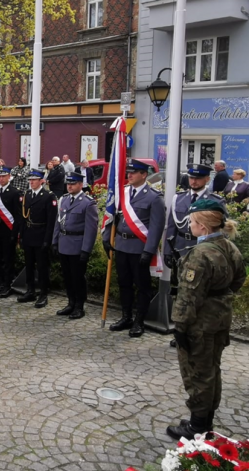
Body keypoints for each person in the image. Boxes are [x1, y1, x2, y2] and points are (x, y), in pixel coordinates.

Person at [165, 199, 246, 440]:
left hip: (200, 322)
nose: (189, 225)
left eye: (191, 221)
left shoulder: (200, 253)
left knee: (197, 371)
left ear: (202, 225)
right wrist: (219, 296)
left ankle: (197, 426)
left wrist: (179, 326)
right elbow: (239, 279)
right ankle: (205, 418)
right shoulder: (229, 246)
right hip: (220, 316)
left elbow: (189, 295)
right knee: (212, 368)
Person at [103, 159, 165, 338]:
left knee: (142, 286)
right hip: (122, 245)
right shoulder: (122, 193)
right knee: (124, 284)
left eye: (133, 172)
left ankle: (139, 321)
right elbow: (112, 217)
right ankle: (126, 316)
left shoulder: (154, 197)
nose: (129, 175)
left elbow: (156, 227)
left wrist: (149, 250)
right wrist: (107, 238)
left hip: (139, 248)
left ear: (144, 175)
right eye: (128, 172)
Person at [52, 172, 98, 320]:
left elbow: (91, 229)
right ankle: (70, 303)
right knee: (67, 277)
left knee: (78, 278)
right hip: (64, 243)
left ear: (80, 184)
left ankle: (79, 306)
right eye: (68, 183)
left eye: (73, 183)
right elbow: (58, 222)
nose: (69, 186)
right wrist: (55, 241)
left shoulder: (88, 203)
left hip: (78, 245)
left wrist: (86, 249)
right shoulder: (64, 200)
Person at [164, 164, 226, 270]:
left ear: (207, 179)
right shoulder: (178, 198)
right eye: (191, 177)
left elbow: (222, 230)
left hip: (204, 247)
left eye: (198, 178)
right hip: (180, 247)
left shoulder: (215, 201)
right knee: (180, 281)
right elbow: (171, 227)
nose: (194, 181)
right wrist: (167, 251)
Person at [17, 168, 57, 308]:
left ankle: (43, 293)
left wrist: (48, 240)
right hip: (28, 234)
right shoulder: (27, 195)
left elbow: (51, 221)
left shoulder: (48, 196)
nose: (31, 182)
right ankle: (30, 290)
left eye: (34, 180)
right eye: (30, 180)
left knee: (42, 267)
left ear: (41, 181)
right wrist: (20, 236)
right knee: (29, 265)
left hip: (41, 235)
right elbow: (22, 217)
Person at [0, 166, 22, 298]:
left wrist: (15, 233)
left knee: (8, 258)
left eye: (4, 176)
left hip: (8, 230)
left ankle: (7, 284)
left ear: (9, 176)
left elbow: (18, 216)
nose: (1, 179)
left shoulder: (15, 192)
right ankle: (1, 282)